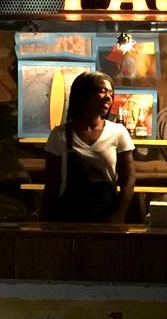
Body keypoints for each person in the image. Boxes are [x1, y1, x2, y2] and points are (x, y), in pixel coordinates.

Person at [43, 71, 136, 223]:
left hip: (106, 216)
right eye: (102, 91)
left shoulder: (118, 132)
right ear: (83, 94)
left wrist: (118, 215)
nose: (108, 97)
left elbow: (128, 181)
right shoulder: (60, 135)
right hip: (68, 218)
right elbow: (51, 185)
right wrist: (46, 221)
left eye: (111, 93)